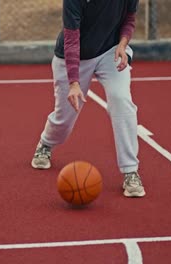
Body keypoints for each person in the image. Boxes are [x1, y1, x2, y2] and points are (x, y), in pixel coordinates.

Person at [31, 0, 145, 198]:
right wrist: (74, 83)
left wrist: (123, 43)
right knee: (64, 116)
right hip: (75, 56)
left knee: (121, 101)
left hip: (111, 51)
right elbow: (72, 39)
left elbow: (129, 18)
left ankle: (130, 171)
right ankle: (46, 143)